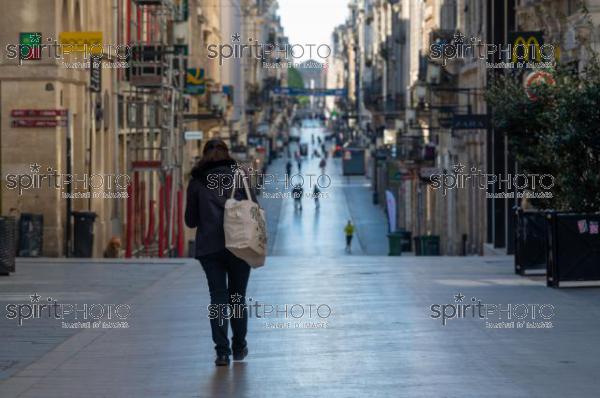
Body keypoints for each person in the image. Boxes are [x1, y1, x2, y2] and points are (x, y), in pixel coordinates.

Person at [185, 139, 256, 367]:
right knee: (237, 298)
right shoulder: (240, 176)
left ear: (204, 155)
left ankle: (222, 352)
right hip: (240, 245)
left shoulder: (196, 182)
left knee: (218, 298)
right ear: (227, 154)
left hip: (210, 248)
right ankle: (239, 346)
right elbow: (253, 207)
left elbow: (190, 221)